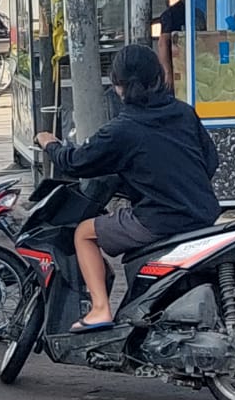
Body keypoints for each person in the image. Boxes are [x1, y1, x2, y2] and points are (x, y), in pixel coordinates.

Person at [35, 44, 220, 334]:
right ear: (158, 77)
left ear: (119, 86)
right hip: (204, 213)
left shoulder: (123, 128)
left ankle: (99, 310)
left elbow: (76, 163)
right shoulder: (183, 112)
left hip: (159, 220)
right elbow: (210, 161)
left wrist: (50, 144)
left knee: (84, 232)